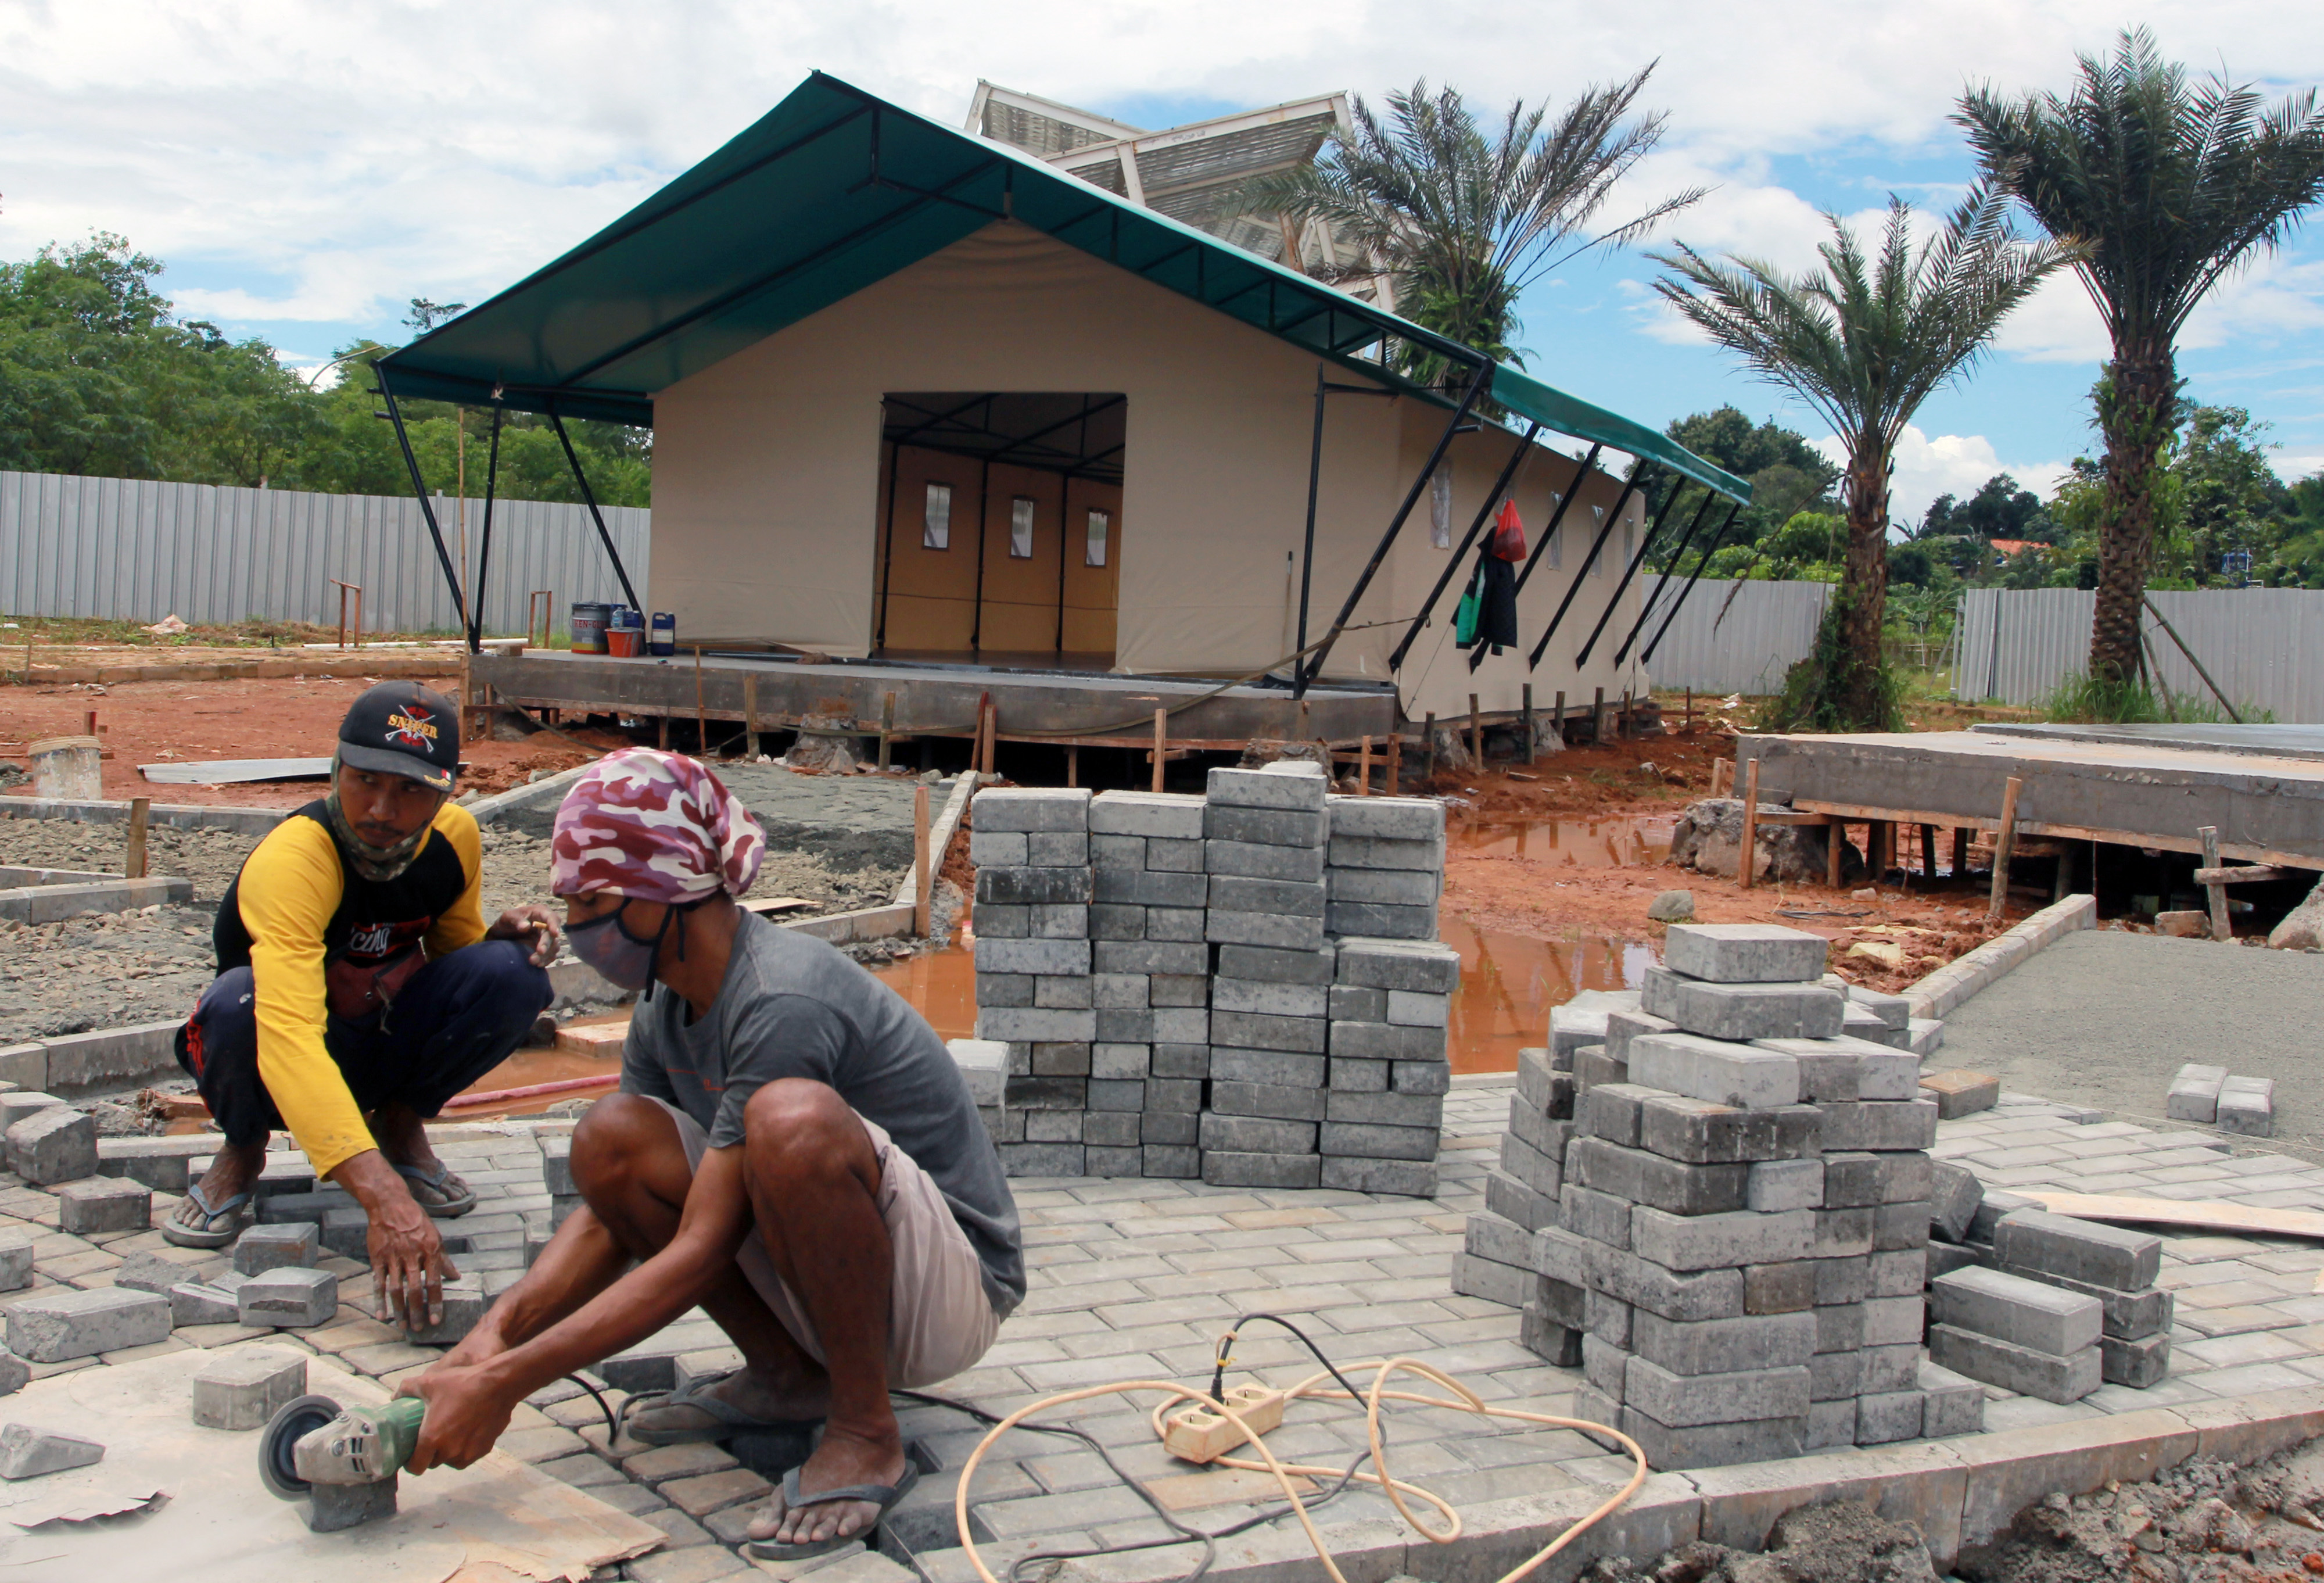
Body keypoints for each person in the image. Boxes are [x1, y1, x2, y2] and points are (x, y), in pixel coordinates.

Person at [402, 748, 1021, 1564]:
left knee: (788, 1121)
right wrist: (493, 1337)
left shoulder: (779, 998)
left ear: (667, 891)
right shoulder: (668, 1002)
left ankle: (866, 1428)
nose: (578, 928)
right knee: (613, 1136)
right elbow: (612, 1216)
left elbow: (697, 1253)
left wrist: (504, 1387)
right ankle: (786, 1379)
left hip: (947, 1293)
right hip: (839, 1275)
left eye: (593, 902)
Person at [169, 681, 561, 1332]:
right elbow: (289, 1037)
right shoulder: (296, 860)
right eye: (364, 781)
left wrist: (495, 940)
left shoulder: (453, 840)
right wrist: (385, 1202)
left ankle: (400, 1124)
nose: (381, 809)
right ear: (336, 770)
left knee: (513, 974)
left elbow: (452, 954)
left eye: (411, 790)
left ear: (446, 793)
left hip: (373, 1043)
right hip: (273, 1056)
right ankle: (242, 1147)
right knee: (240, 1001)